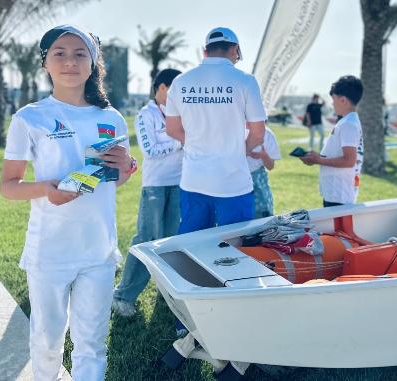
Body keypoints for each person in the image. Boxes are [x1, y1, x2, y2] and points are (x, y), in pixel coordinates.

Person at [0, 25, 135, 380]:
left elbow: (114, 179)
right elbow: (9, 187)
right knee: (47, 340)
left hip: (98, 250)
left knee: (92, 342)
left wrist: (125, 168)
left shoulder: (111, 118)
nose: (70, 62)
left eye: (80, 54)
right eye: (60, 53)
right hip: (50, 251)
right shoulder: (30, 118)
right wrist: (47, 189)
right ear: (45, 63)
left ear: (93, 63)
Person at [165, 27, 266, 233]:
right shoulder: (245, 81)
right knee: (236, 245)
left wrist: (198, 142)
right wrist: (239, 150)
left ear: (205, 51)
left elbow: (172, 129)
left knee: (193, 245)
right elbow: (258, 133)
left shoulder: (180, 82)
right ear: (234, 49)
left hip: (194, 180)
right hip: (233, 182)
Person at [112, 68, 183, 317]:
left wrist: (178, 138)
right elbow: (150, 149)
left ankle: (170, 293)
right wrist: (180, 140)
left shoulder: (181, 113)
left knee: (172, 240)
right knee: (146, 238)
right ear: (162, 87)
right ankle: (123, 296)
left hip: (180, 184)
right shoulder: (146, 114)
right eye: (176, 89)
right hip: (155, 185)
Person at [300, 76, 364, 207]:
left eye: (333, 99)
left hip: (339, 195)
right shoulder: (347, 122)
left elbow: (349, 160)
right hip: (336, 192)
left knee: (338, 222)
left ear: (343, 100)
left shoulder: (348, 124)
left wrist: (318, 160)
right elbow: (340, 154)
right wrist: (317, 157)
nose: (332, 103)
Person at [247, 125, 281, 218]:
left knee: (261, 216)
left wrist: (264, 155)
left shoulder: (267, 133)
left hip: (258, 184)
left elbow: (270, 166)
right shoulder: (234, 130)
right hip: (236, 183)